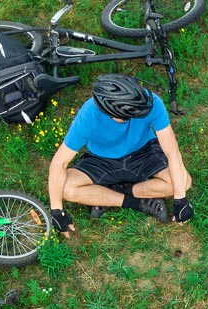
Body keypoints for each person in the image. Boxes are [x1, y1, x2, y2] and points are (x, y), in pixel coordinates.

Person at [47, 74, 194, 237]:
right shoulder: (88, 115)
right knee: (66, 189)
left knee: (184, 182)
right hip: (101, 159)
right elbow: (58, 163)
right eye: (123, 117)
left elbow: (172, 152)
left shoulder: (151, 102)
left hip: (143, 152)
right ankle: (135, 202)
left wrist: (180, 200)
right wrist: (56, 210)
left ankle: (106, 195)